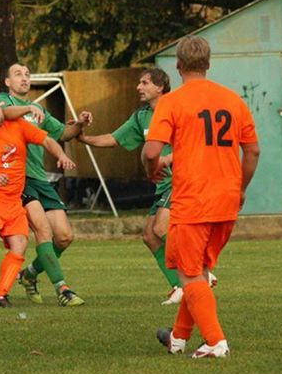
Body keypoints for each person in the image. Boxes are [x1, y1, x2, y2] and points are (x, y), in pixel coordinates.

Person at [142, 35, 260, 358]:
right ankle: (178, 339)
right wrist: (241, 189)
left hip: (193, 200)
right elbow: (252, 151)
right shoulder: (233, 100)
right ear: (208, 64)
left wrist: (150, 166)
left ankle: (215, 342)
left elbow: (151, 150)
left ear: (178, 66)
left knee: (189, 274)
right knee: (200, 272)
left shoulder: (172, 102)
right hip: (226, 201)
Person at [79, 68, 216, 305]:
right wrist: (82, 138)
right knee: (149, 237)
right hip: (163, 184)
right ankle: (179, 285)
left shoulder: (177, 108)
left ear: (160, 87)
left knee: (161, 229)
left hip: (183, 179)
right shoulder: (141, 116)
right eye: (139, 83)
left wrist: (168, 159)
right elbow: (113, 139)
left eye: (144, 83)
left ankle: (199, 273)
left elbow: (196, 143)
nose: (138, 87)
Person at [0, 96, 76, 308]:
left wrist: (60, 155)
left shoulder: (17, 125)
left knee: (20, 243)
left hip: (12, 198)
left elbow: (47, 140)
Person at [0, 63, 92, 306]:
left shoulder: (37, 109)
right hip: (18, 177)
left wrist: (79, 124)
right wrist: (27, 107)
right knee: (43, 231)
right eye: (18, 74)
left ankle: (29, 275)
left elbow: (62, 133)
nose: (25, 78)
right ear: (7, 82)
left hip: (40, 178)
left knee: (64, 237)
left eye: (28, 75)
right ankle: (63, 290)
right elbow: (4, 114)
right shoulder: (2, 100)